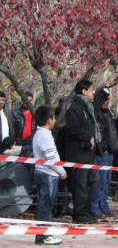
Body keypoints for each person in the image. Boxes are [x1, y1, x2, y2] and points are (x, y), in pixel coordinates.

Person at [65, 79, 101, 224]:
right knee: (80, 184)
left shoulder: (89, 107)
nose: (93, 92)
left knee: (94, 180)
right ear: (83, 91)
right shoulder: (76, 107)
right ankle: (79, 213)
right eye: (91, 89)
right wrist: (88, 137)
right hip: (79, 153)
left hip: (89, 154)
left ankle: (85, 210)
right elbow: (72, 128)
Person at [33, 105, 67, 245]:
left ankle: (42, 234)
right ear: (49, 120)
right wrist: (62, 171)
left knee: (44, 205)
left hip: (43, 172)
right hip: (47, 174)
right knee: (46, 206)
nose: (54, 120)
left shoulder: (39, 134)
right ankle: (44, 236)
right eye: (53, 117)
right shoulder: (45, 136)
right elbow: (51, 158)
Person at [91, 88, 118, 218]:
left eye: (109, 99)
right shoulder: (96, 112)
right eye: (106, 99)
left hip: (109, 153)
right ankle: (95, 207)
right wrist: (104, 148)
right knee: (100, 182)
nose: (108, 102)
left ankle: (104, 206)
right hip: (102, 153)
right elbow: (99, 133)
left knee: (106, 182)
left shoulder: (106, 112)